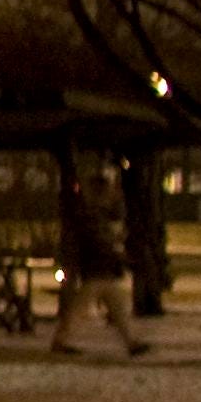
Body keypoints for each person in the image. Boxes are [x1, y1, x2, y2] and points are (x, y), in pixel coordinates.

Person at [49, 145, 145, 358]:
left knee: (112, 308)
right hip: (98, 269)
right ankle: (63, 340)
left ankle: (131, 342)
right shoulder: (93, 216)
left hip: (100, 269)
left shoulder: (93, 213)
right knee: (85, 309)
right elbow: (99, 242)